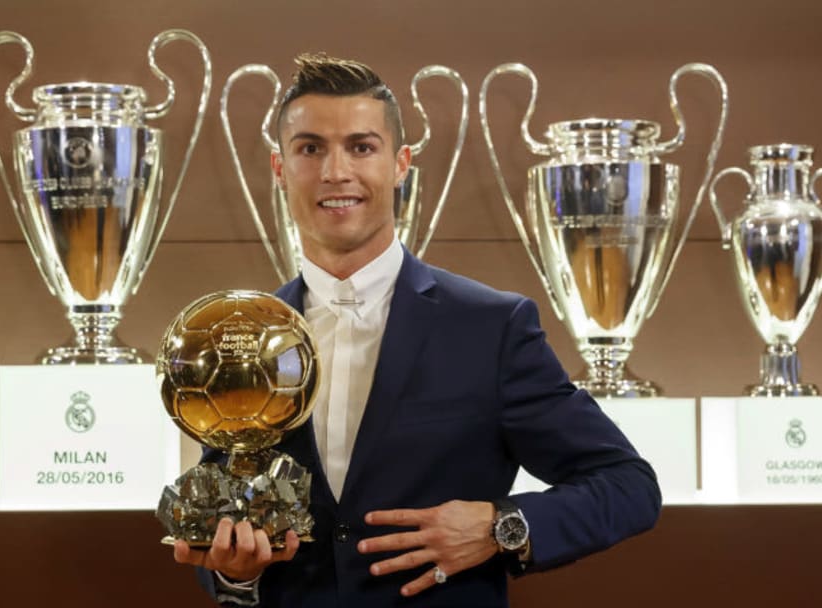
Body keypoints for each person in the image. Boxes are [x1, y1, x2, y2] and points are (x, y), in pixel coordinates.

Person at [172, 53, 661, 607]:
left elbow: (628, 486)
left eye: (362, 147)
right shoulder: (237, 340)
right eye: (311, 148)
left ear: (400, 164)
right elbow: (225, 527)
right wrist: (234, 574)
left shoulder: (492, 327)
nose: (336, 172)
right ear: (280, 168)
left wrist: (499, 526)